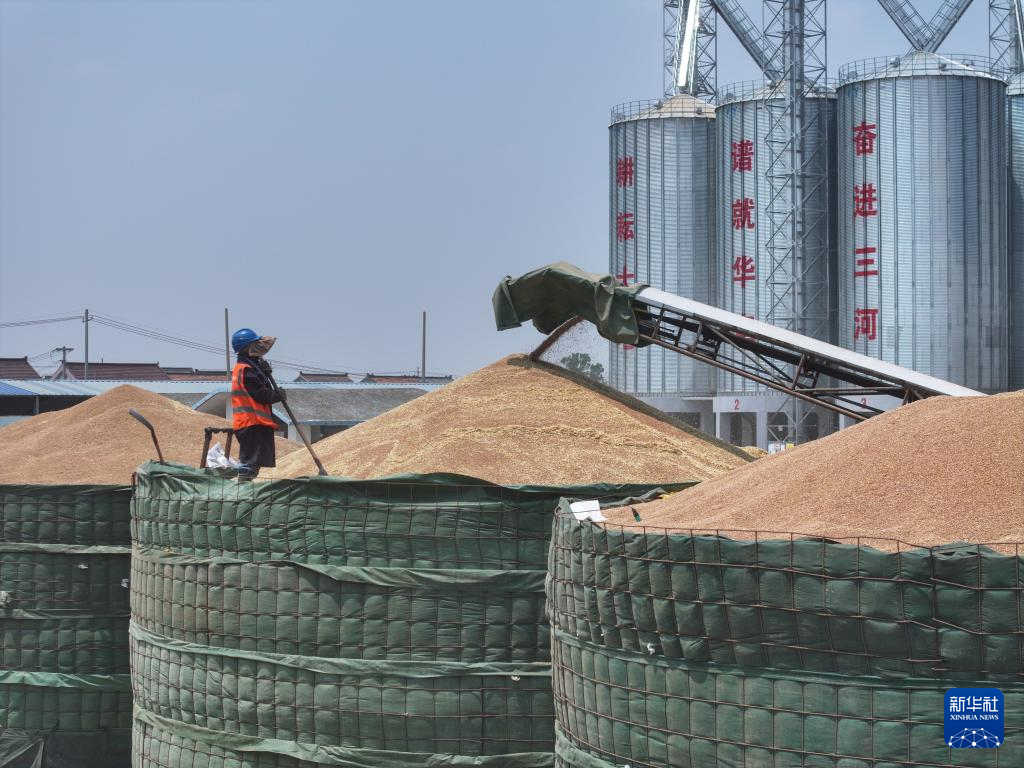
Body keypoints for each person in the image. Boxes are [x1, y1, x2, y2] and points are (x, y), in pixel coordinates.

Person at [230, 328, 284, 480]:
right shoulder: (246, 370)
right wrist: (276, 395)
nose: (259, 348)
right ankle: (243, 492)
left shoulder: (251, 367)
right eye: (254, 345)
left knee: (255, 464)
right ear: (246, 349)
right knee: (249, 466)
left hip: (255, 423)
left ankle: (245, 489)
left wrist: (264, 372)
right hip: (250, 424)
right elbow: (261, 394)